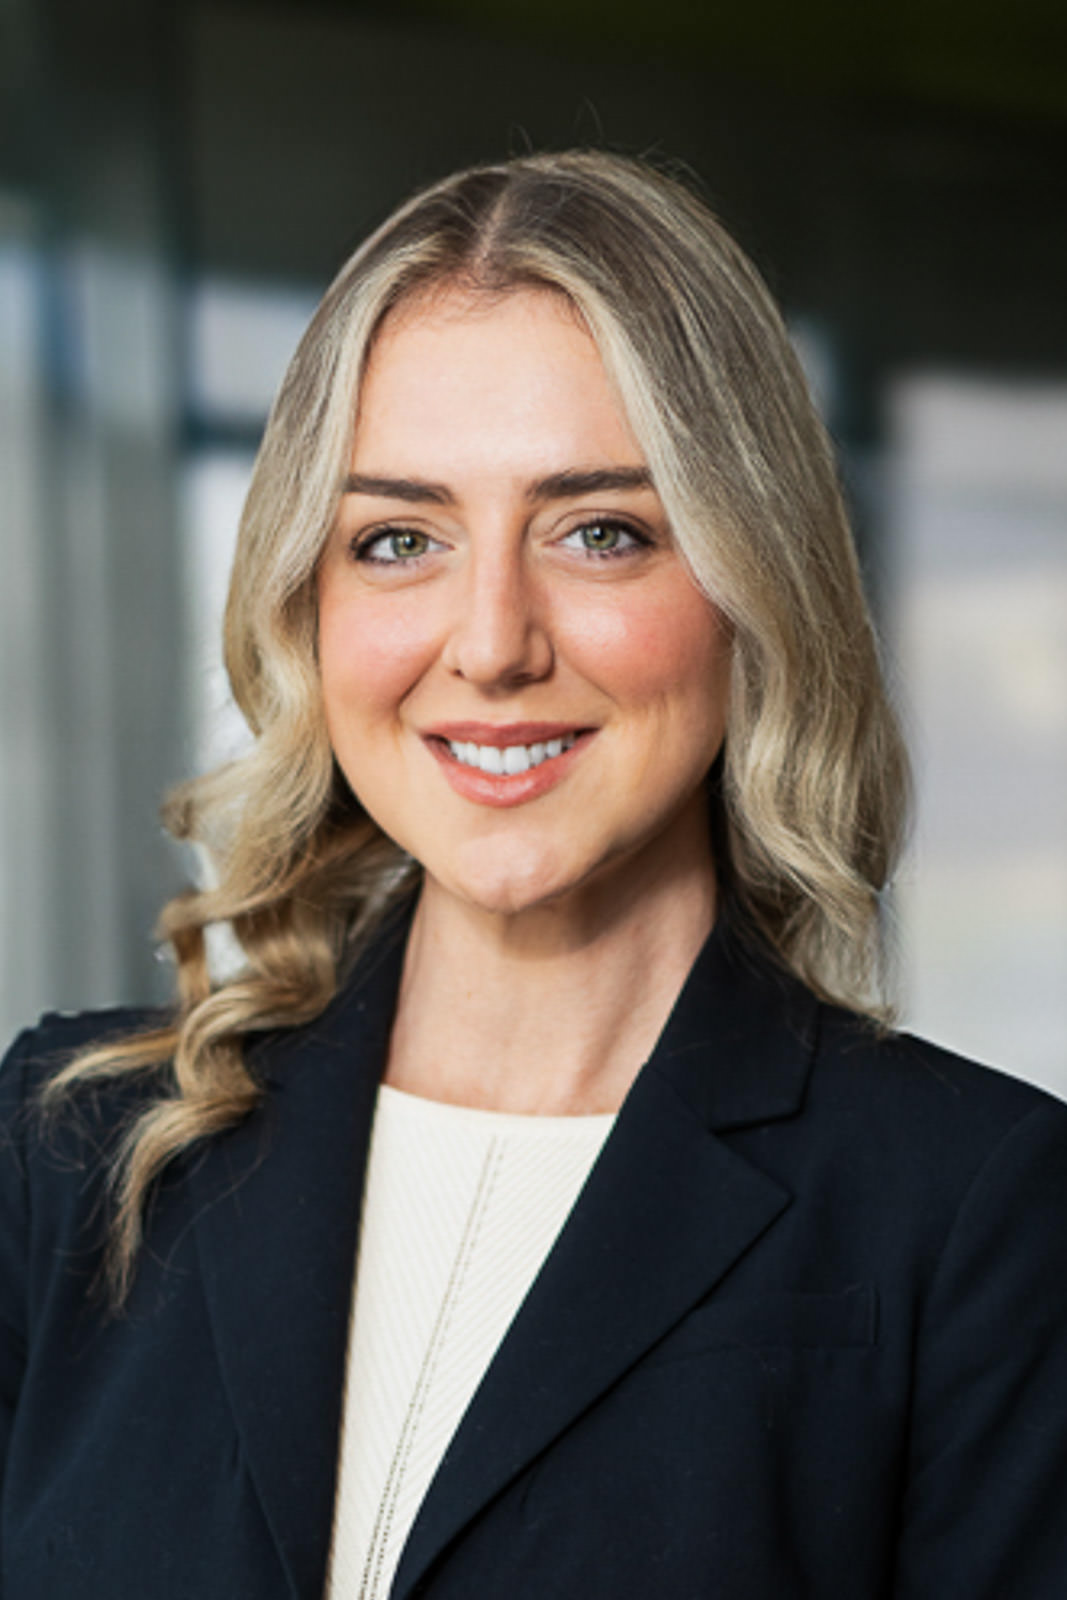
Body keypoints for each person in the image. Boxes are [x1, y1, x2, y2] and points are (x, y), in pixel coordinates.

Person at [2, 149, 1066, 1600]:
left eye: (601, 532)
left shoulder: (979, 1219)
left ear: (751, 587)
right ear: (309, 607)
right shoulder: (74, 1158)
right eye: (398, 539)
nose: (491, 640)